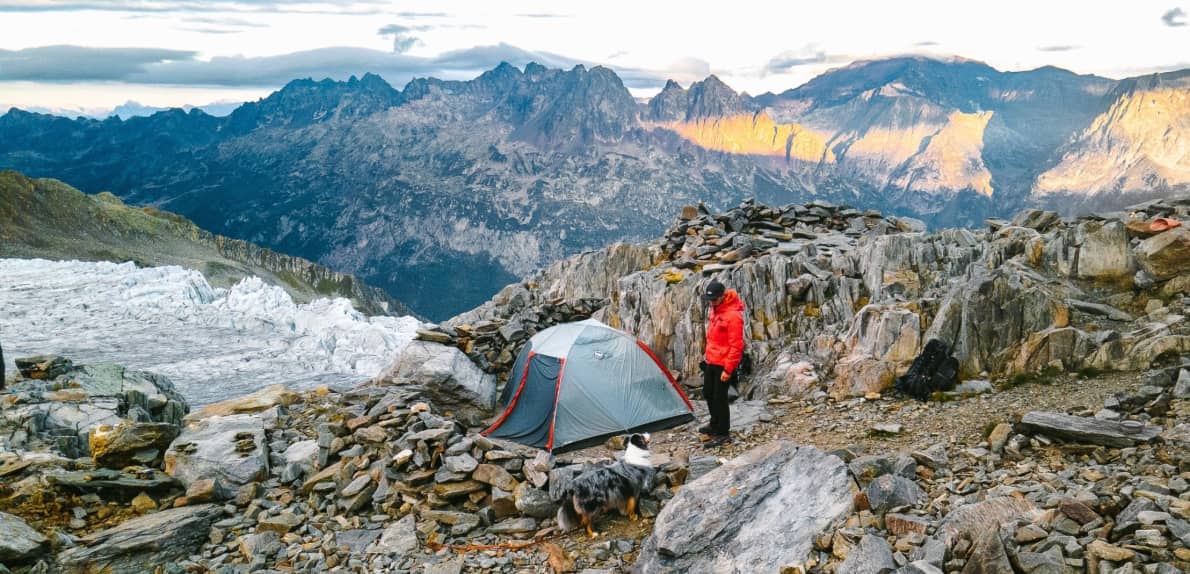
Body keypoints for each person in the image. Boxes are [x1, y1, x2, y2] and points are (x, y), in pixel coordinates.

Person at [699, 279, 744, 448]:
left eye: (714, 300)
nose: (711, 303)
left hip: (724, 363)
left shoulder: (733, 316)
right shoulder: (716, 311)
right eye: (709, 300)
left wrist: (728, 369)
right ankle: (714, 423)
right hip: (712, 360)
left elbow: (737, 345)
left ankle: (723, 432)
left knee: (720, 398)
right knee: (708, 393)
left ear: (723, 297)